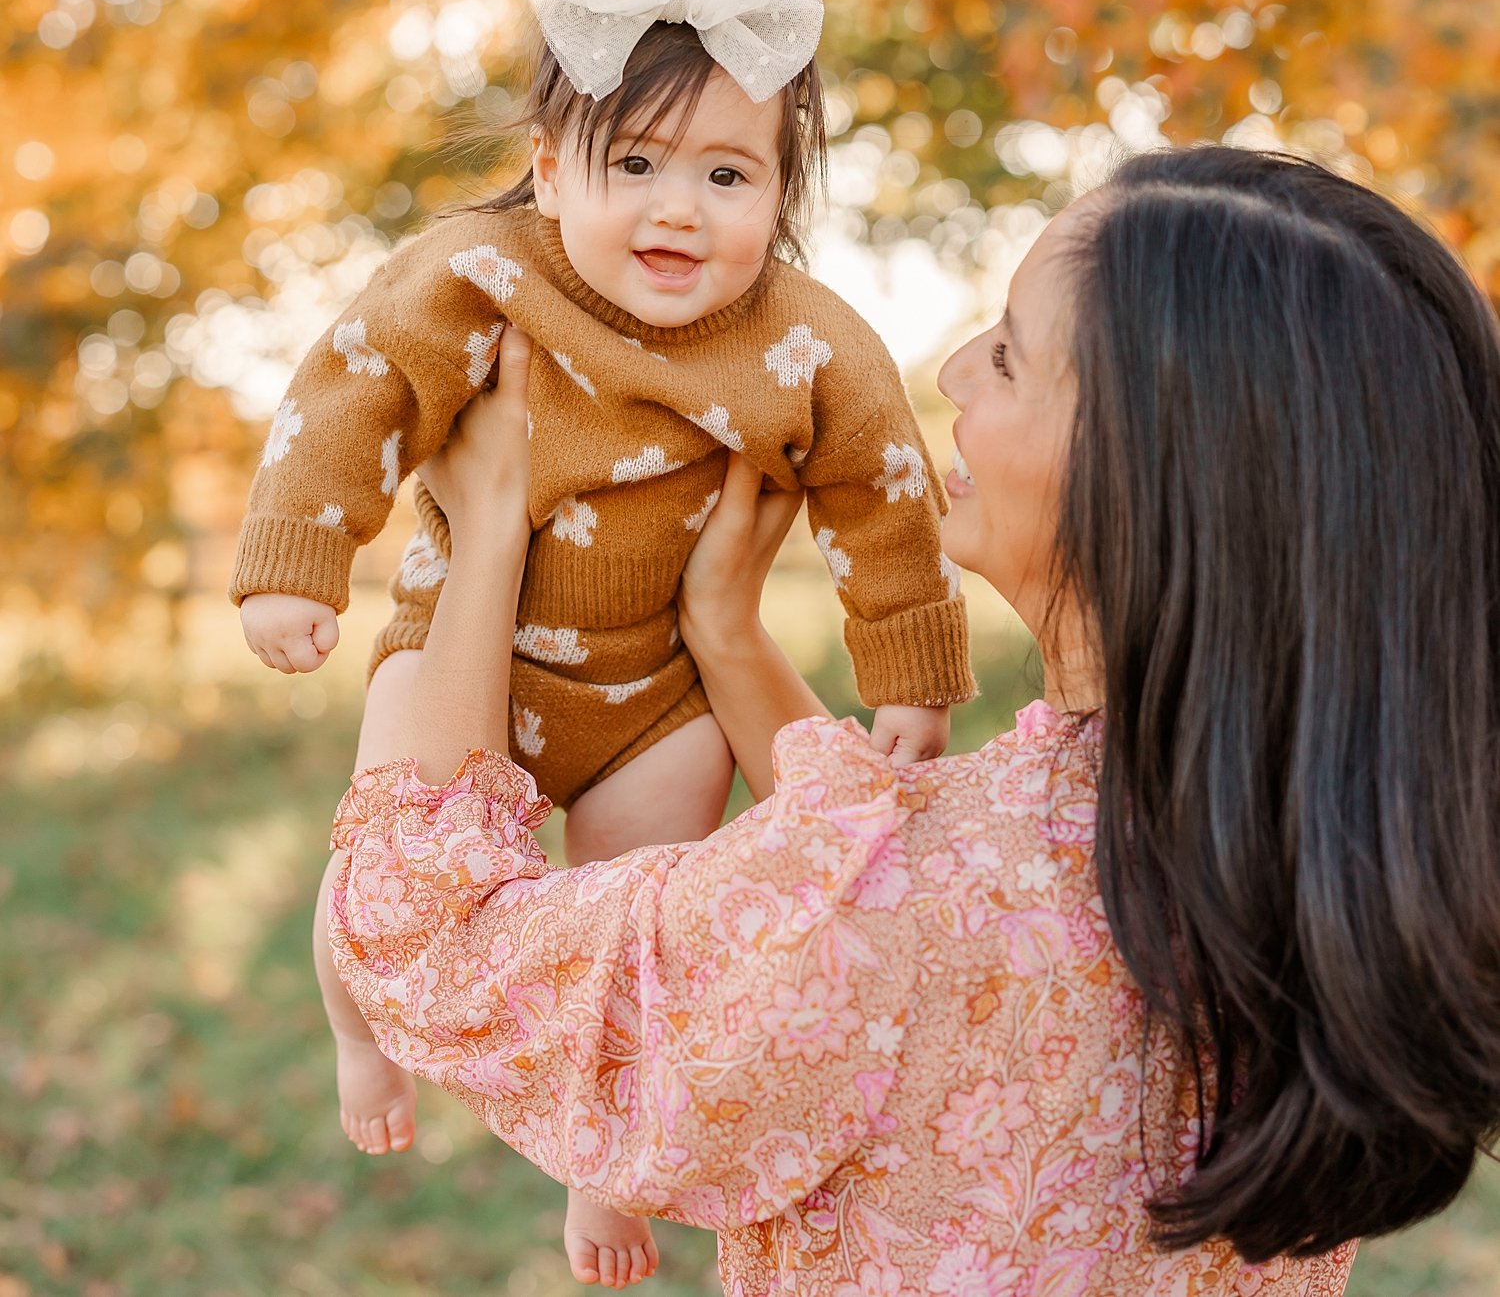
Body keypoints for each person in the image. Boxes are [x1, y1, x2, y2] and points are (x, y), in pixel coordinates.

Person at [325, 147, 1500, 1292]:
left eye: (1010, 355)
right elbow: (914, 918)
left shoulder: (897, 899)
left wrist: (486, 531)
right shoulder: (1334, 869)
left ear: (1145, 467)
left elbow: (426, 941)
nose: (952, 370)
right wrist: (727, 637)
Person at [232, 0, 974, 1283]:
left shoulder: (806, 336)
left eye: (728, 174)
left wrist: (909, 673)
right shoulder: (478, 272)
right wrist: (296, 560)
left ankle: (602, 1164)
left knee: (638, 934)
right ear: (547, 169)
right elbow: (355, 389)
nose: (677, 207)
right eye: (633, 162)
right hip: (469, 658)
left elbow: (883, 489)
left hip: (658, 701)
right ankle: (353, 1023)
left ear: (782, 195)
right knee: (371, 893)